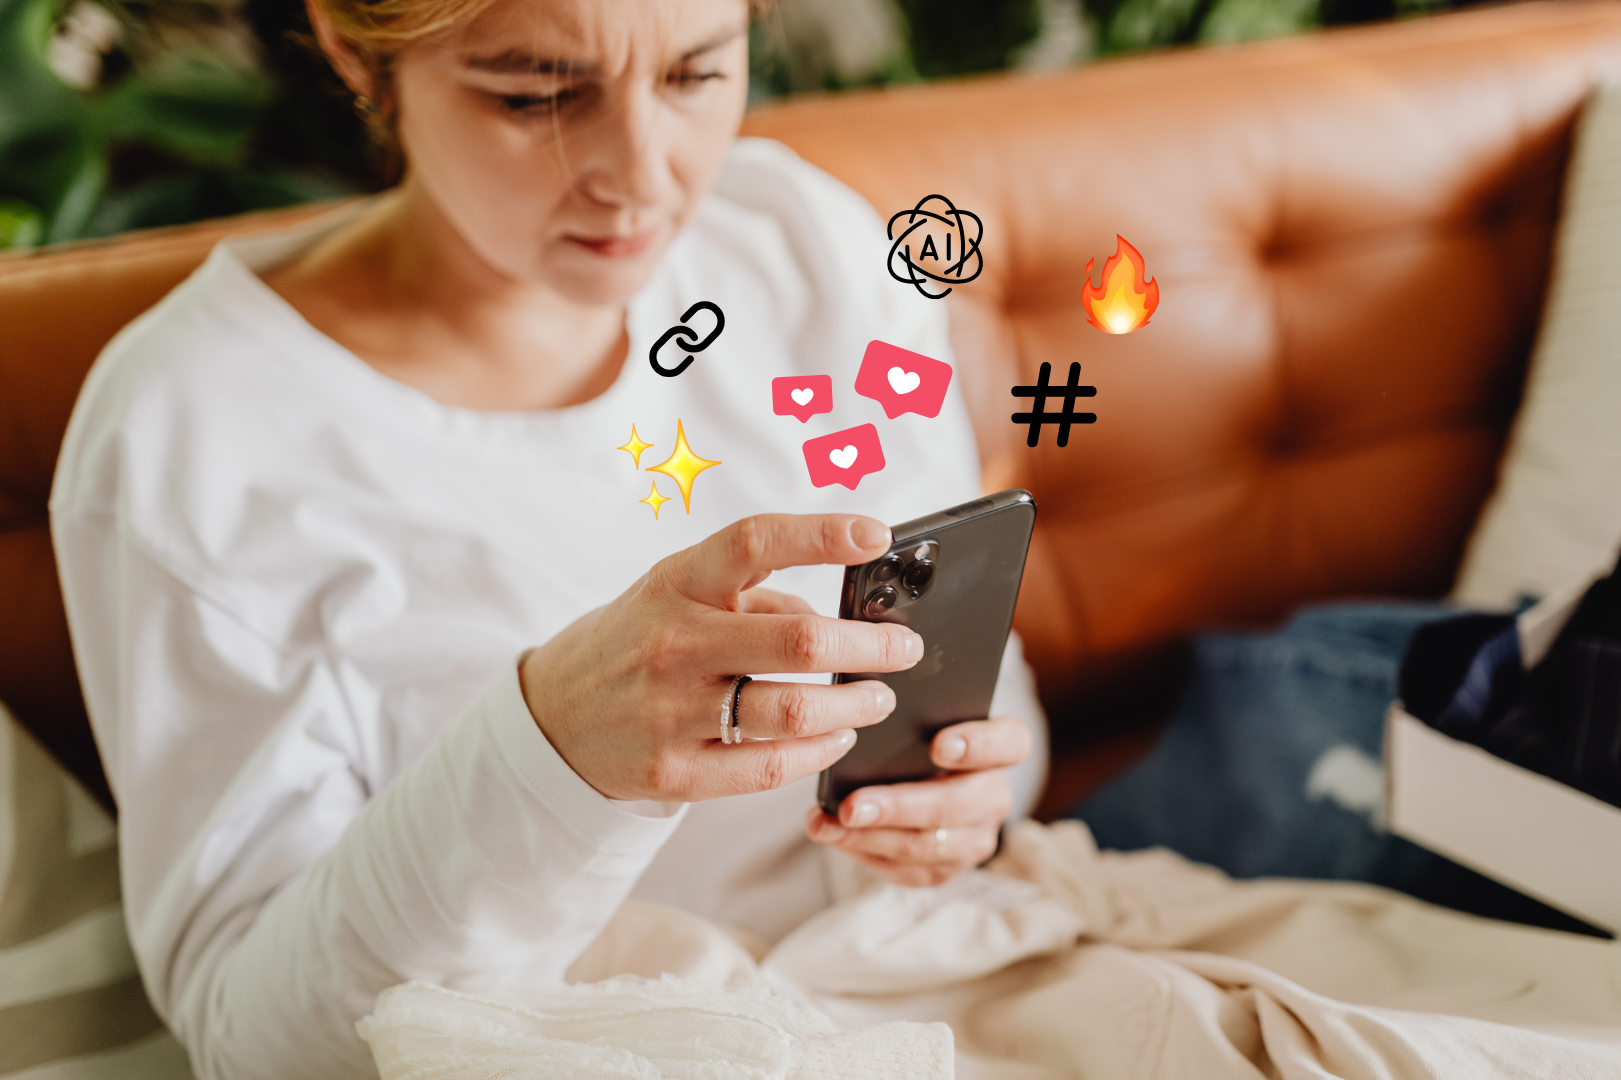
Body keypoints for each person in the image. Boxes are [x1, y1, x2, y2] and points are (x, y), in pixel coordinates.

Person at [48, 0, 1044, 1075]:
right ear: (352, 47)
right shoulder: (192, 432)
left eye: (697, 73)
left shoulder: (801, 246)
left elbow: (989, 705)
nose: (643, 177)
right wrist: (551, 757)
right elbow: (256, 1043)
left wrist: (952, 806)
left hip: (948, 985)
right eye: (537, 95)